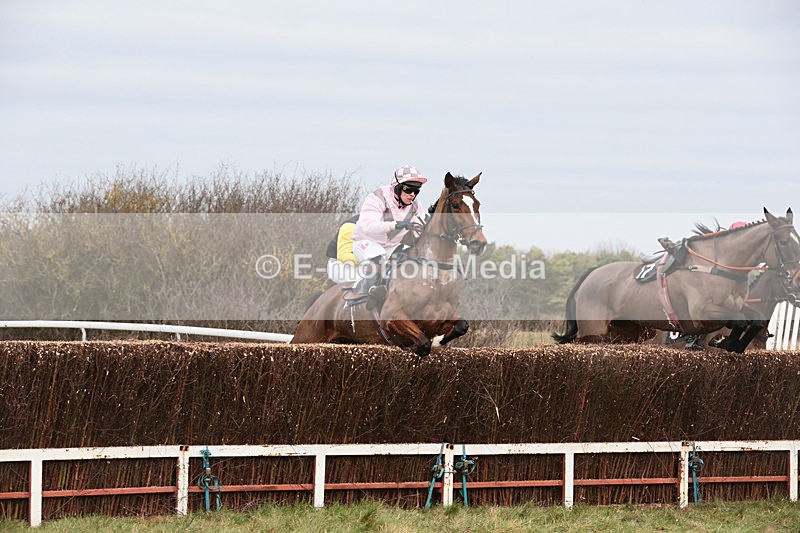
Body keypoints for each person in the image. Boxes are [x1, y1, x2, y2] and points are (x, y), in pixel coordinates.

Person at [351, 164, 427, 310]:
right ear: (397, 187)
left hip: (391, 247)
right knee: (378, 258)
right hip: (365, 243)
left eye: (416, 191)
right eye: (408, 189)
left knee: (408, 260)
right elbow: (368, 226)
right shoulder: (378, 197)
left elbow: (419, 231)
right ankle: (367, 293)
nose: (412, 194)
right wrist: (394, 225)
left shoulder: (416, 206)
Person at [325, 215, 360, 284]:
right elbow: (343, 256)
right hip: (341, 266)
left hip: (364, 265)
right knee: (365, 282)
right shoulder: (350, 226)